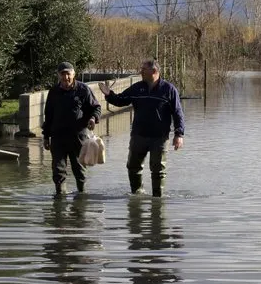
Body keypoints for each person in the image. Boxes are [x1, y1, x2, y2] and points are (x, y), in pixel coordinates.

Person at [98, 58, 184, 197]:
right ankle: (137, 194)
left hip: (159, 137)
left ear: (154, 71)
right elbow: (121, 100)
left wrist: (179, 134)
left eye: (143, 69)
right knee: (133, 166)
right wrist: (109, 94)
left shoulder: (169, 90)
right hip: (138, 135)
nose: (140, 72)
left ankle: (158, 199)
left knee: (158, 170)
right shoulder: (138, 88)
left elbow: (178, 113)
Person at [42, 61, 102, 196]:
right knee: (58, 170)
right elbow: (49, 115)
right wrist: (46, 136)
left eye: (68, 74)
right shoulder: (54, 92)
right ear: (58, 76)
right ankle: (60, 197)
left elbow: (96, 108)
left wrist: (93, 118)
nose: (66, 78)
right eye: (62, 75)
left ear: (73, 74)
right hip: (58, 138)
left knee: (79, 169)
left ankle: (82, 196)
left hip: (78, 137)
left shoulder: (83, 90)